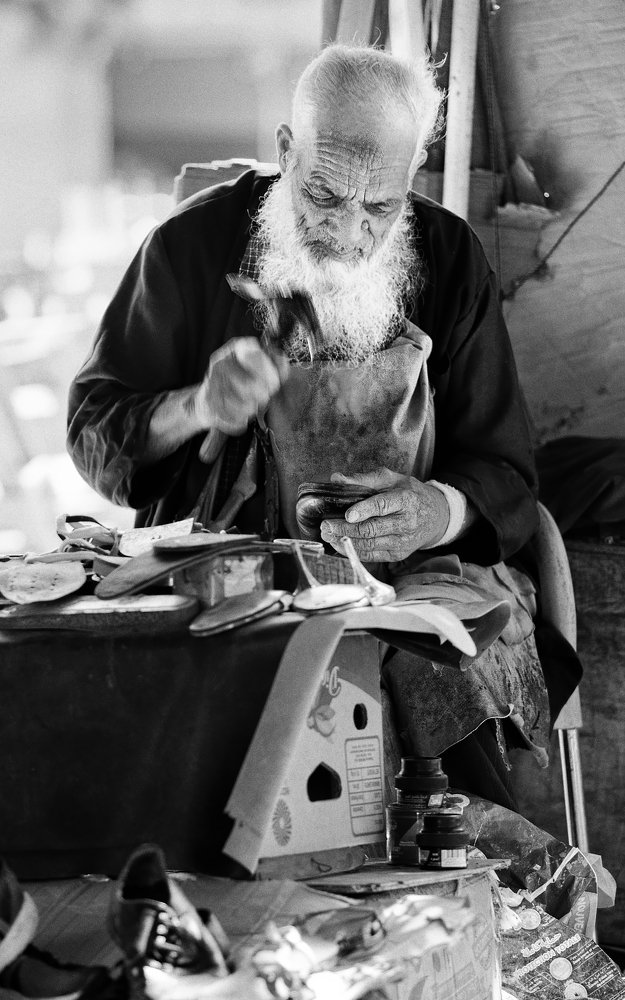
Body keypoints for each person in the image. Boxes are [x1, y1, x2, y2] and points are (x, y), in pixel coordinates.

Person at [67, 43, 570, 808]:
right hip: (229, 567)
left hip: (407, 578)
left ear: (411, 182)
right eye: (326, 197)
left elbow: (505, 471)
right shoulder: (190, 249)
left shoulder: (450, 259)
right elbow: (93, 428)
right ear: (285, 152)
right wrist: (195, 406)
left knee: (443, 670)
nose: (348, 233)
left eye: (381, 208)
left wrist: (437, 511)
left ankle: (462, 895)